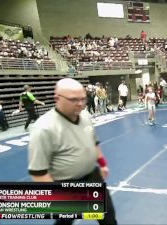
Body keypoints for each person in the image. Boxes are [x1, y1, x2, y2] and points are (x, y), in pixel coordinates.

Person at [28, 78, 117, 225]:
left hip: (92, 178)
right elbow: (39, 173)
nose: (81, 104)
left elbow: (93, 142)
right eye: (74, 100)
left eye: (83, 99)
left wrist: (103, 163)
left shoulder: (85, 116)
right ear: (57, 99)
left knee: (108, 219)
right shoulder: (43, 128)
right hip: (65, 185)